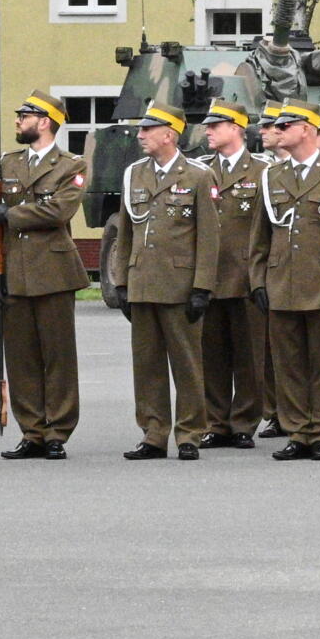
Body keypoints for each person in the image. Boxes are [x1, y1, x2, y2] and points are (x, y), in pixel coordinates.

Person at [102, 102, 218, 460]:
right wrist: (121, 282)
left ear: (169, 134)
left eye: (147, 129)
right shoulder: (134, 173)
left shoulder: (197, 175)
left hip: (180, 284)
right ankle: (153, 434)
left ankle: (190, 434)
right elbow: (125, 232)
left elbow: (209, 237)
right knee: (147, 365)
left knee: (187, 365)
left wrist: (202, 287)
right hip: (142, 282)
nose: (140, 135)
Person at [0, 92, 88, 459]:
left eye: (24, 116)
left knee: (58, 357)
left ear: (45, 122)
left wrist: (12, 215)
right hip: (14, 271)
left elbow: (59, 212)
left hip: (54, 272)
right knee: (21, 358)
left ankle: (57, 431)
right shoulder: (8, 162)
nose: (17, 120)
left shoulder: (71, 166)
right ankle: (32, 431)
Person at [251, 102, 320, 460]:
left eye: (286, 125)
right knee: (288, 363)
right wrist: (258, 281)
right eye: (277, 126)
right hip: (282, 281)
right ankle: (297, 430)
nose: (278, 131)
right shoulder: (271, 176)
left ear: (307, 129)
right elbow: (260, 237)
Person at [198, 102, 269, 448]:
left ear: (237, 128)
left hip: (246, 276)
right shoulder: (200, 171)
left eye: (216, 125)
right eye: (208, 125)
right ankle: (216, 422)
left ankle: (243, 423)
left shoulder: (262, 171)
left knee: (249, 356)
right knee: (211, 355)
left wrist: (262, 277)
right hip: (209, 276)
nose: (208, 130)